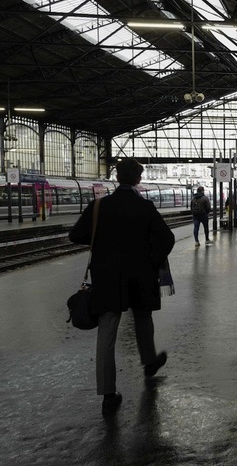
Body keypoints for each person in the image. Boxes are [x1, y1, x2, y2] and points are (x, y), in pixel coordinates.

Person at [69, 158, 175, 416]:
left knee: (106, 334)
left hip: (107, 278)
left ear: (117, 177)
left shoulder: (98, 207)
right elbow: (167, 238)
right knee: (143, 319)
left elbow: (76, 236)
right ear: (138, 179)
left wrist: (104, 245)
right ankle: (149, 362)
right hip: (140, 276)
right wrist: (151, 260)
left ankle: (108, 394)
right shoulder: (145, 207)